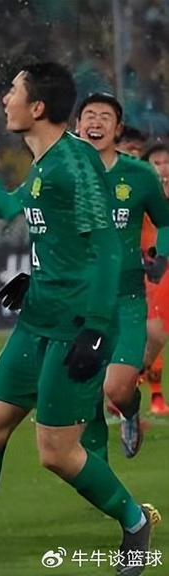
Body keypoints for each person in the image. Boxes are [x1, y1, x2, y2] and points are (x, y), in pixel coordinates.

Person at [0, 63, 155, 576]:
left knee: (56, 453)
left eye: (14, 91)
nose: (5, 99)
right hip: (37, 319)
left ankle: (135, 523)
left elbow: (108, 248)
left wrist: (97, 328)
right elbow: (15, 213)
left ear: (38, 107)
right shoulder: (43, 164)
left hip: (74, 326)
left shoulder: (75, 164)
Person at [73, 94, 169, 458]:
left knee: (116, 387)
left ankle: (130, 409)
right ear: (77, 126)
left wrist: (162, 256)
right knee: (85, 393)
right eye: (89, 115)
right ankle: (96, 468)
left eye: (105, 116)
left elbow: (165, 222)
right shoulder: (63, 173)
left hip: (127, 298)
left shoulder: (139, 175)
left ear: (117, 129)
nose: (96, 122)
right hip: (81, 298)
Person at [140, 142, 169, 415]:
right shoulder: (143, 196)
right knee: (155, 331)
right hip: (156, 273)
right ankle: (152, 392)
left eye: (166, 162)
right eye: (156, 162)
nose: (163, 168)